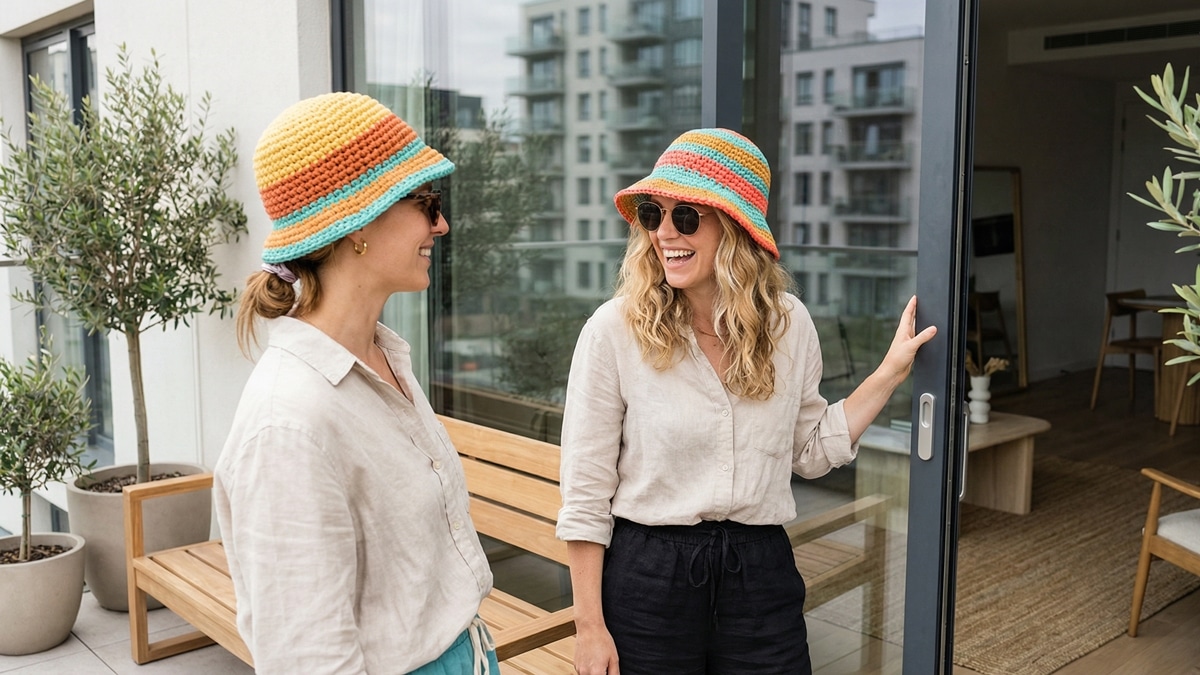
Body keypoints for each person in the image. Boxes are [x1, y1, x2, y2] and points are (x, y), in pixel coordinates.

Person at [556, 128, 937, 674]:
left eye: (685, 216)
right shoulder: (614, 331)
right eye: (652, 214)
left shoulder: (788, 324)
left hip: (759, 575)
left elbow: (808, 449)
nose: (665, 233)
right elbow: (586, 492)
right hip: (648, 580)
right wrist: (589, 627)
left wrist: (891, 371)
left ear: (733, 227)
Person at [213, 92, 498, 675]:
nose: (441, 224)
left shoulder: (382, 357)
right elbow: (307, 657)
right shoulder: (288, 423)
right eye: (426, 202)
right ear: (359, 221)